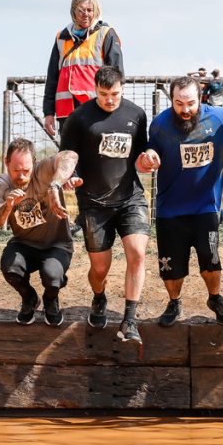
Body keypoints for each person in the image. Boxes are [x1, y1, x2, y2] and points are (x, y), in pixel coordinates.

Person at [137, 75, 223, 327]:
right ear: (171, 100)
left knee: (211, 259)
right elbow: (150, 150)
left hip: (205, 206)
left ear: (201, 98)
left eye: (190, 103)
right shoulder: (161, 124)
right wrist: (150, 156)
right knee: (170, 268)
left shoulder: (217, 116)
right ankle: (174, 302)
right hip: (169, 210)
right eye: (179, 103)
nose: (185, 110)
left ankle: (215, 298)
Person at [59, 66, 149, 344]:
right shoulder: (79, 118)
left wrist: (147, 159)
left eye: (115, 94)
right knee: (100, 269)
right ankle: (99, 297)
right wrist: (69, 176)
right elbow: (66, 157)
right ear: (94, 90)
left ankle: (129, 320)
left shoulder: (136, 114)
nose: (110, 100)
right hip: (94, 203)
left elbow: (141, 152)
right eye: (103, 94)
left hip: (129, 197)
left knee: (137, 253)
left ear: (123, 88)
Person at [0, 139, 77, 326]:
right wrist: (7, 205)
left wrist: (55, 185)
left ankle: (51, 299)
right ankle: (30, 298)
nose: (22, 176)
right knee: (10, 268)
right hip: (24, 243)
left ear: (34, 162)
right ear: (6, 162)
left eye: (26, 170)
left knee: (52, 276)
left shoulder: (44, 171)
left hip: (56, 244)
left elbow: (70, 155)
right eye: (16, 170)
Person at [43, 0, 124, 139]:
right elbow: (52, 78)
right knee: (68, 158)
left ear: (96, 11)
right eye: (81, 10)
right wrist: (48, 112)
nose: (85, 14)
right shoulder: (61, 38)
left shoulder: (106, 34)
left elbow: (117, 74)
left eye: (89, 10)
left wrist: (115, 108)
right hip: (67, 113)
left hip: (96, 110)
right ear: (74, 11)